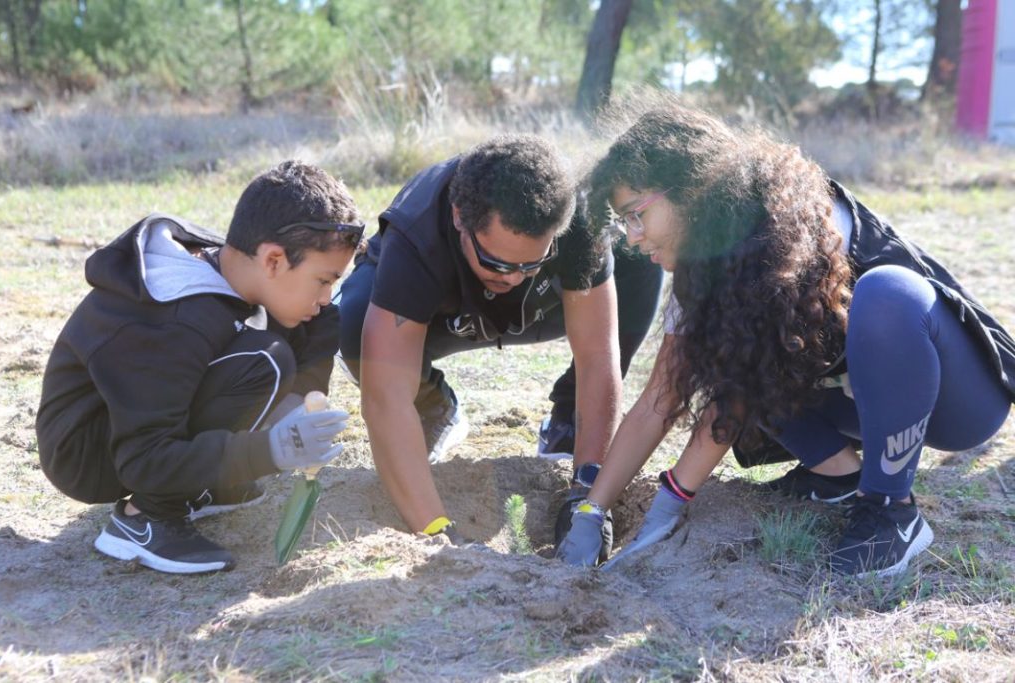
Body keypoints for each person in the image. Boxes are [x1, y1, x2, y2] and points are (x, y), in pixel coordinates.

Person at [557, 104, 1015, 577]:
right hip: (863, 407)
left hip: (958, 400)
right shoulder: (704, 269)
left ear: (689, 189)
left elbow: (733, 401)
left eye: (636, 215)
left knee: (886, 293)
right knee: (740, 351)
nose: (632, 238)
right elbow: (661, 396)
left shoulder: (790, 224)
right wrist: (592, 511)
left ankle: (890, 511)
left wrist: (670, 503)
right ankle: (839, 474)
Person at [37, 161, 364, 574]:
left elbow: (318, 322)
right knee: (266, 360)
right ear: (274, 260)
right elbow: (143, 458)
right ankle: (145, 517)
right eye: (322, 280)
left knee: (306, 323)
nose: (326, 294)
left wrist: (298, 408)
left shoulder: (238, 267)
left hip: (136, 428)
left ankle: (202, 485)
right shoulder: (179, 319)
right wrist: (274, 449)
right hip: (91, 451)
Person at [337, 134, 662, 549]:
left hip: (542, 309)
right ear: (459, 217)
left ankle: (565, 426)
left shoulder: (578, 218)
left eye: (531, 263)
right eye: (496, 262)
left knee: (636, 261)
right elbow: (384, 399)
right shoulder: (417, 232)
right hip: (442, 313)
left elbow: (599, 356)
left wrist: (587, 498)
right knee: (356, 327)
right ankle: (434, 408)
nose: (510, 277)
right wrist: (436, 529)